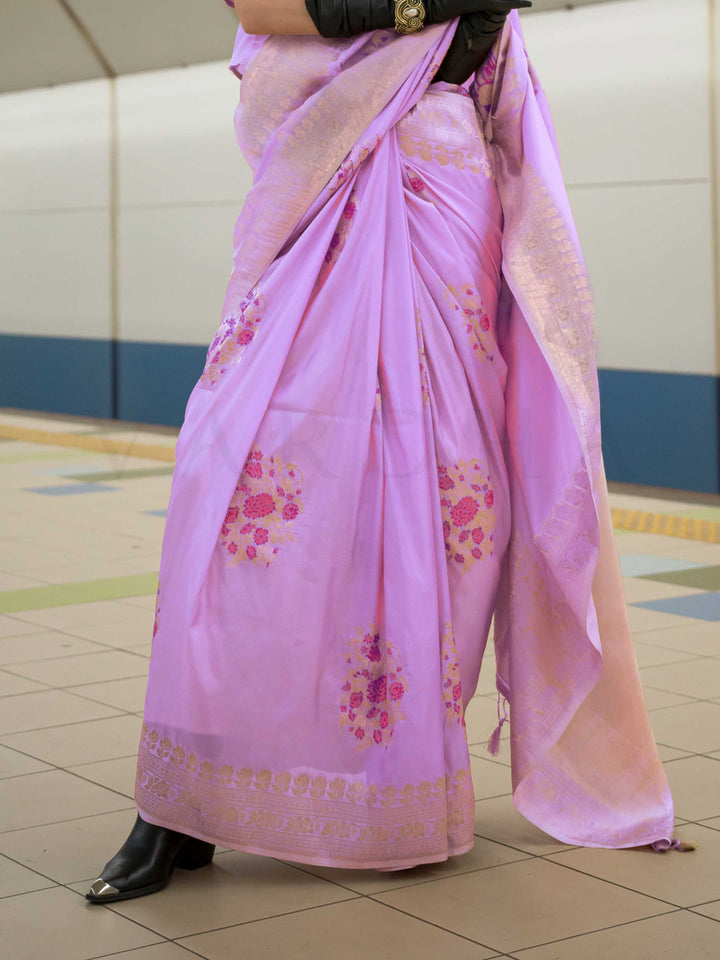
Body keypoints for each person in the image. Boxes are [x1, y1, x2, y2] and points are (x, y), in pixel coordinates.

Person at [86, 0, 695, 905]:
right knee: (237, 489)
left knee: (447, 507)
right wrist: (404, 6)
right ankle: (181, 802)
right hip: (319, 195)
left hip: (447, 202)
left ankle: (388, 787)